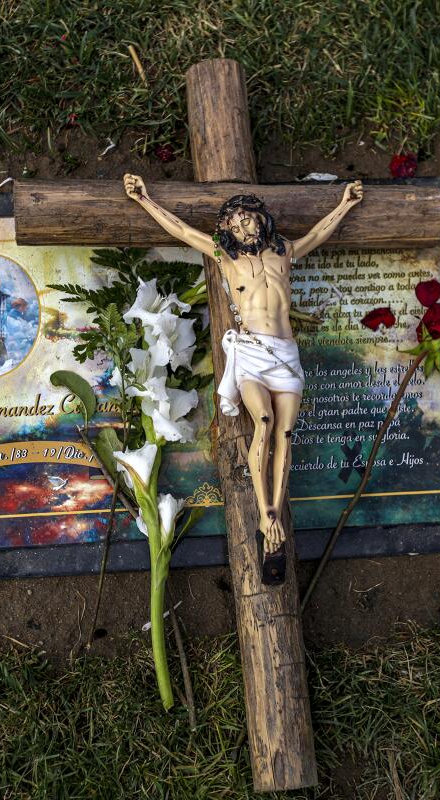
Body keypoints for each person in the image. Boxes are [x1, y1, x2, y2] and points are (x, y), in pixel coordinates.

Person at [123, 173, 363, 584]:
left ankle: (273, 521)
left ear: (260, 219)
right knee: (264, 424)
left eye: (247, 219)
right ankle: (268, 515)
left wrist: (346, 204)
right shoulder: (226, 257)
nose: (242, 227)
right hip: (252, 354)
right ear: (226, 231)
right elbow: (181, 230)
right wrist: (145, 198)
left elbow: (319, 232)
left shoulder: (284, 251)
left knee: (285, 434)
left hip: (285, 354)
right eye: (233, 225)